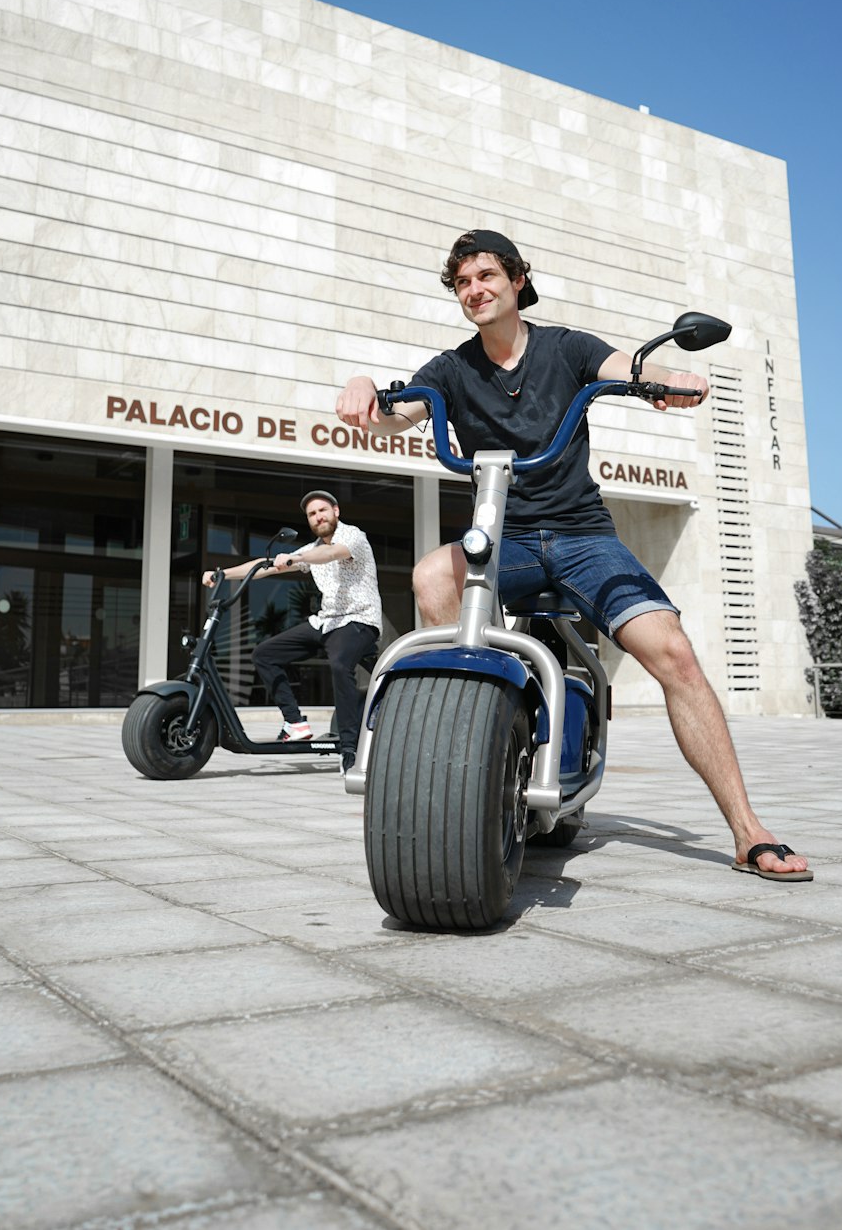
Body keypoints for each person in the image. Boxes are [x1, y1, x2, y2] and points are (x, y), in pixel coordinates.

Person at [335, 229, 811, 881]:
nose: (475, 289)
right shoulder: (450, 370)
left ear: (517, 281)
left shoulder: (567, 348)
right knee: (429, 578)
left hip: (583, 536)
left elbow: (629, 370)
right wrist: (366, 389)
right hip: (504, 539)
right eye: (463, 282)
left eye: (486, 276)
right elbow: (402, 413)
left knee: (672, 651)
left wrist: (663, 380)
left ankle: (748, 831)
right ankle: (479, 731)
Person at [202, 490, 381, 773]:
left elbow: (331, 552)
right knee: (264, 653)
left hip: (359, 621)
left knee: (339, 664)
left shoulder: (353, 537)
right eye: (312, 514)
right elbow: (264, 568)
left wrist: (298, 558)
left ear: (336, 511)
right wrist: (222, 573)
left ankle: (349, 749)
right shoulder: (310, 549)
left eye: (322, 510)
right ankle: (295, 722)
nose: (318, 516)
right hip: (326, 622)